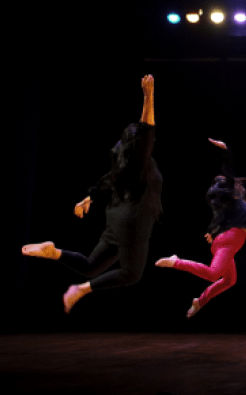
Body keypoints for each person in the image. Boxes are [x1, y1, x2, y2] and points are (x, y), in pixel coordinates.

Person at [22, 75, 162, 313]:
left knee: (90, 265)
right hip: (134, 222)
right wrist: (148, 95)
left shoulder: (122, 158)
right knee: (131, 275)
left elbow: (108, 180)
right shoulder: (139, 161)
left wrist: (89, 197)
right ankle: (81, 289)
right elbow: (147, 128)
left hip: (117, 218)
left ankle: (55, 252)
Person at [155, 139, 246, 318]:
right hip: (229, 240)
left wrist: (213, 232)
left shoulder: (230, 205)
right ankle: (175, 261)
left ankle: (200, 301)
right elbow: (229, 172)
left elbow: (219, 218)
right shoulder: (229, 195)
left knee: (230, 280)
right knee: (213, 274)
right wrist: (226, 151)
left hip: (228, 241)